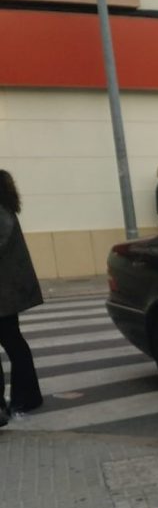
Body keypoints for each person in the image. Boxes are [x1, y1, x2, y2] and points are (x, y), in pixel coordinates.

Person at [0, 170, 44, 423]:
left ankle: (24, 397)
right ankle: (27, 396)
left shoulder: (1, 213)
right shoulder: (7, 210)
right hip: (7, 294)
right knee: (15, 343)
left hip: (4, 294)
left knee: (14, 344)